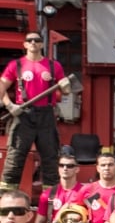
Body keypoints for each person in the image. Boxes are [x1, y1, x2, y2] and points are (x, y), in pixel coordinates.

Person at [0, 31, 67, 191]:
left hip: (46, 115)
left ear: (41, 44)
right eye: (29, 40)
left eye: (37, 40)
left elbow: (66, 89)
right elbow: (1, 86)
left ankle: (51, 199)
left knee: (50, 158)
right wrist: (10, 106)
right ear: (25, 44)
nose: (33, 43)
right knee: (15, 157)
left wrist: (66, 86)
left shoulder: (54, 66)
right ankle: (6, 200)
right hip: (23, 115)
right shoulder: (16, 65)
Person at [31, 151, 86, 223]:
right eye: (62, 165)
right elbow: (39, 222)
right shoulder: (48, 194)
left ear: (77, 169)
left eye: (70, 166)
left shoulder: (86, 192)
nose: (65, 168)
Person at [82, 152, 115, 223]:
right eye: (103, 165)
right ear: (97, 168)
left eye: (110, 165)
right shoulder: (88, 189)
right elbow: (76, 208)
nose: (106, 168)